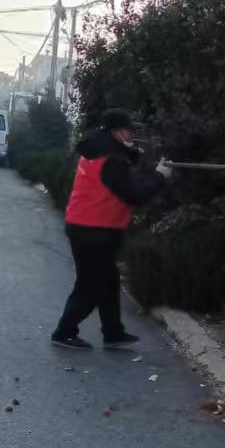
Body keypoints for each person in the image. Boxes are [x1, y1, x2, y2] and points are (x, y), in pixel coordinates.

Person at [51, 109, 171, 350]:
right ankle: (64, 332)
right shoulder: (112, 160)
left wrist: (134, 155)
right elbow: (134, 195)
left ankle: (113, 332)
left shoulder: (96, 148)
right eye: (128, 129)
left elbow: (119, 165)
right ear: (118, 130)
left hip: (85, 226)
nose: (131, 134)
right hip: (94, 230)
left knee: (108, 280)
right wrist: (160, 176)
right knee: (91, 285)